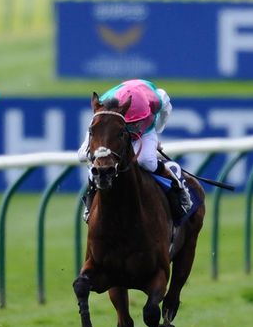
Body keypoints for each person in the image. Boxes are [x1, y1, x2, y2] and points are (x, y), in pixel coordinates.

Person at [77, 79, 191, 223]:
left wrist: (156, 133)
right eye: (132, 124)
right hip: (114, 127)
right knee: (87, 157)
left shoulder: (158, 99)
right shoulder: (105, 104)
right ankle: (90, 198)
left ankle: (178, 187)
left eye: (138, 123)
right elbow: (96, 132)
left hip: (147, 131)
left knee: (146, 161)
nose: (136, 127)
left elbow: (165, 113)